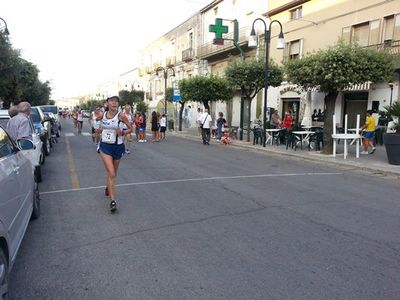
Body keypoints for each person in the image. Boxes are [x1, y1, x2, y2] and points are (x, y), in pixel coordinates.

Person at [94, 96, 132, 212]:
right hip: (105, 146)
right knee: (111, 172)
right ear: (107, 103)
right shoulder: (103, 115)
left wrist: (122, 132)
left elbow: (131, 129)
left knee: (113, 174)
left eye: (116, 101)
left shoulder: (122, 116)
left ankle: (108, 187)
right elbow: (97, 123)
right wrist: (99, 131)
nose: (114, 103)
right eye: (112, 101)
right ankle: (113, 201)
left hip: (118, 147)